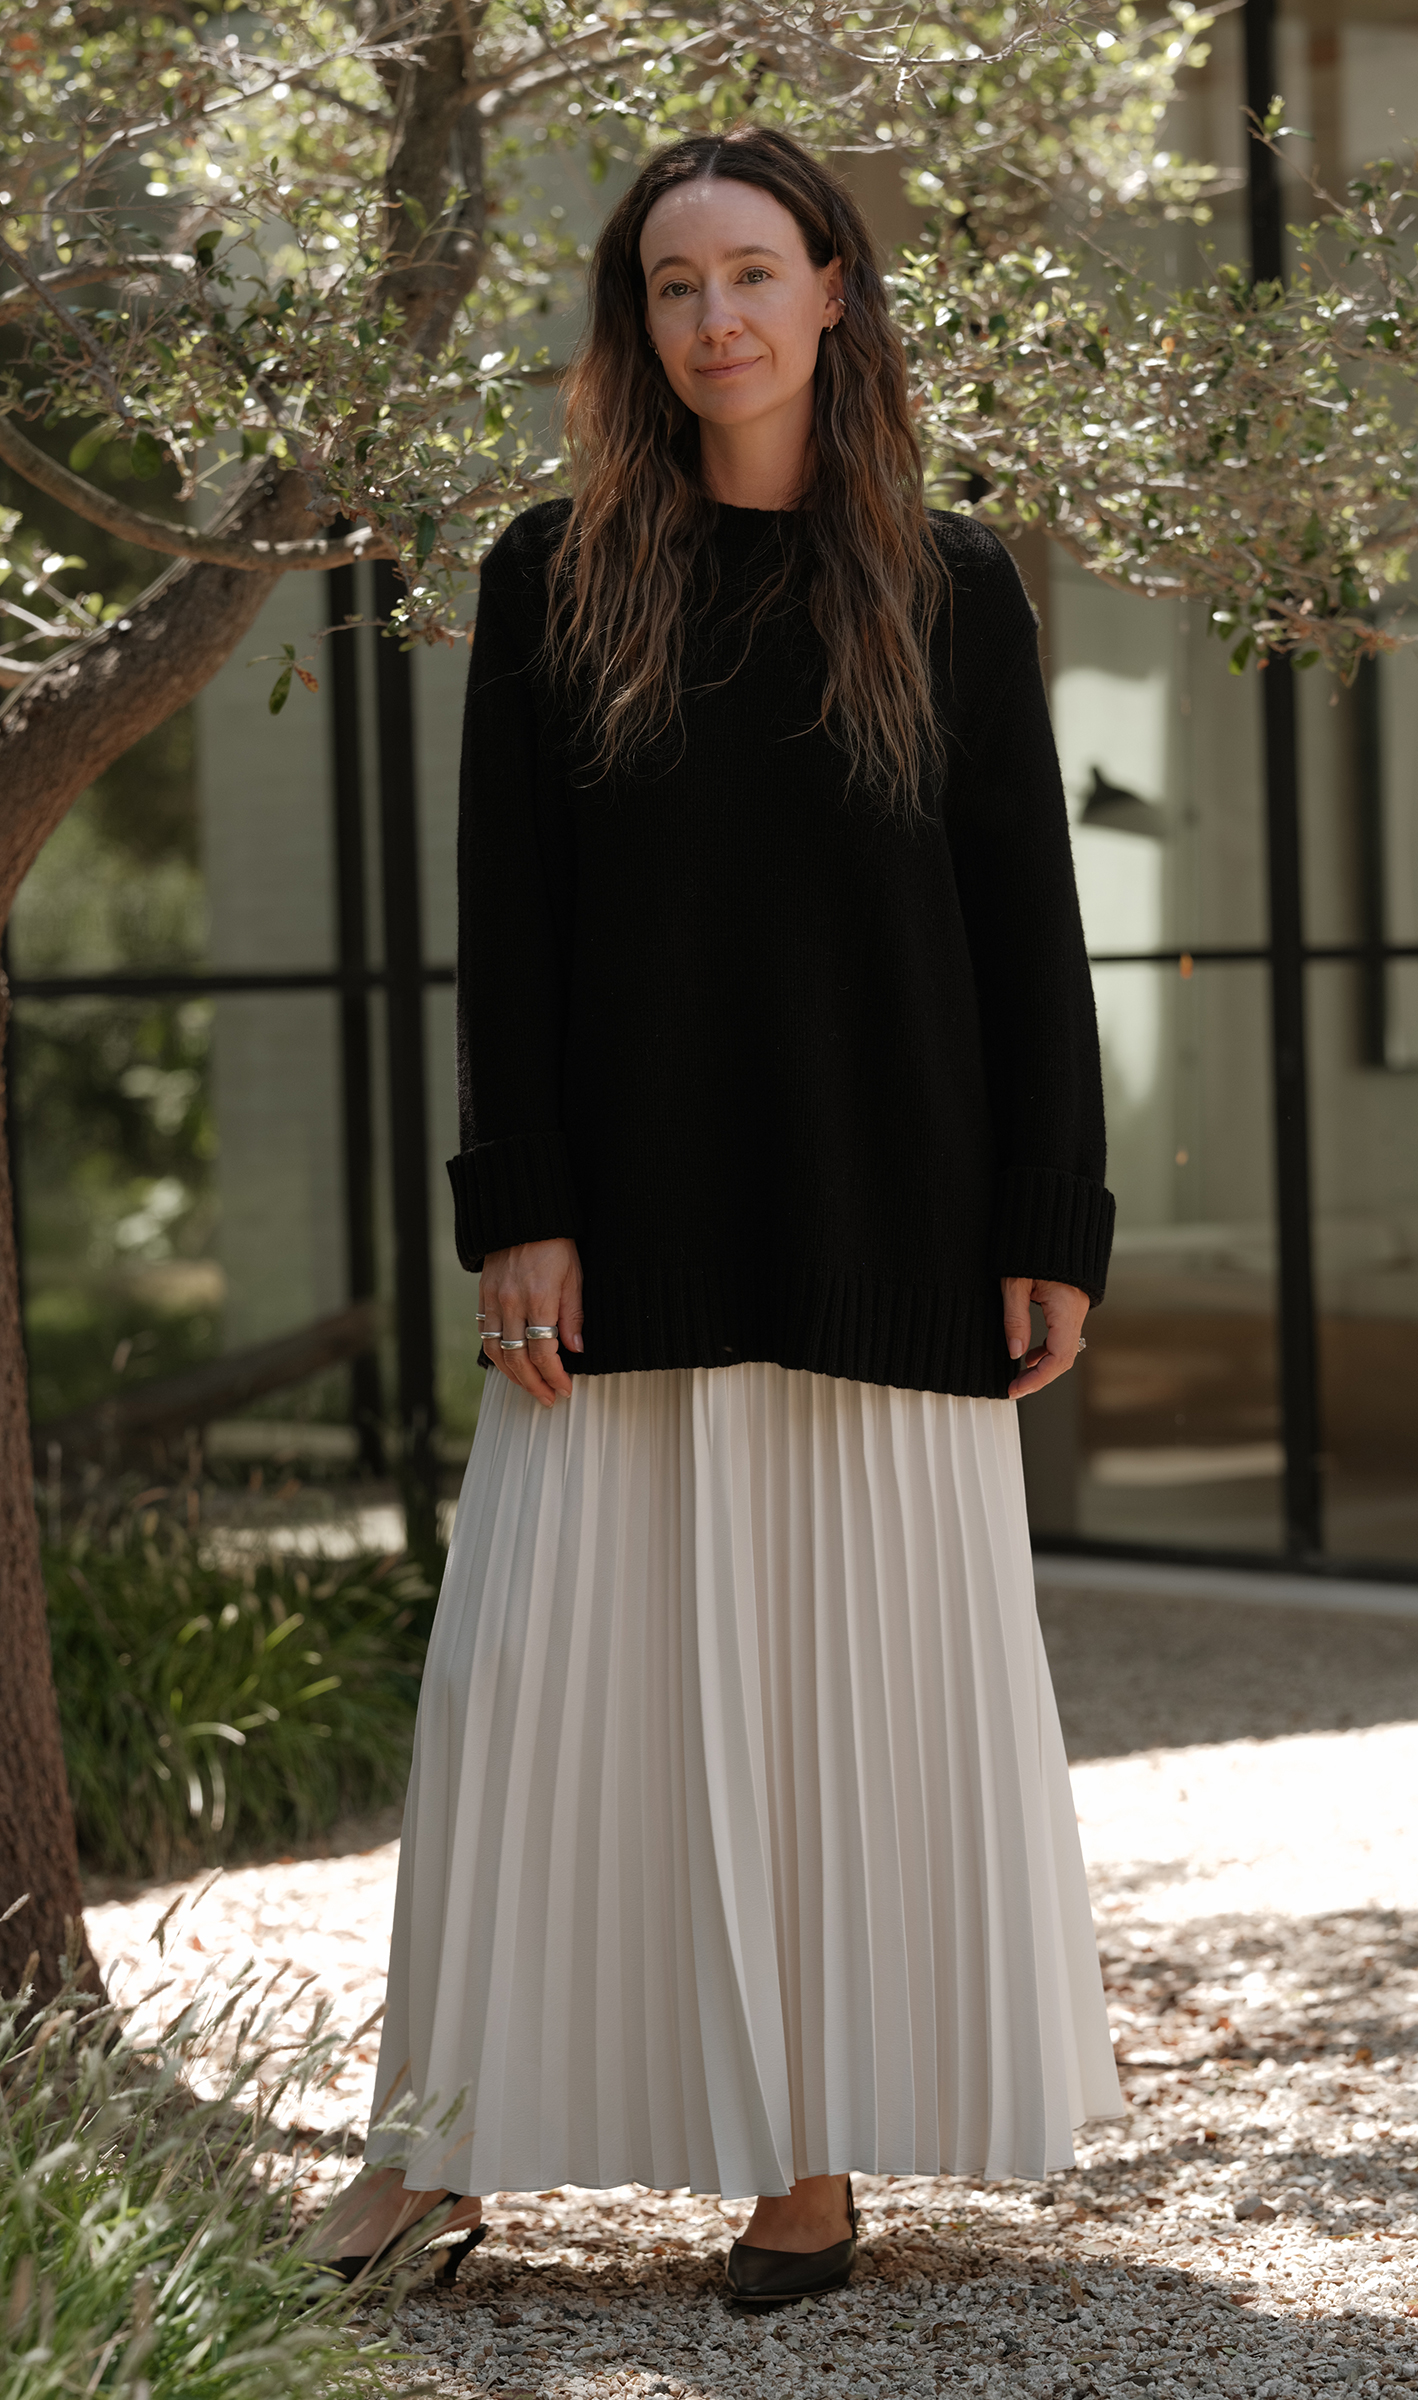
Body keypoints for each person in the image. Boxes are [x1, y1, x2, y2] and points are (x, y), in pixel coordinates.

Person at [338, 122, 1123, 2308]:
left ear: (834, 292)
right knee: (526, 1691)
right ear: (638, 324)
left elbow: (1024, 928)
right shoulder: (551, 571)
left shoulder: (945, 580)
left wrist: (1054, 1209)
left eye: (752, 272)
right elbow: (509, 926)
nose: (717, 319)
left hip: (889, 1216)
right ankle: (431, 2145)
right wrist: (520, 1207)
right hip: (630, 1231)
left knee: (845, 1712)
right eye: (674, 286)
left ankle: (804, 2169)